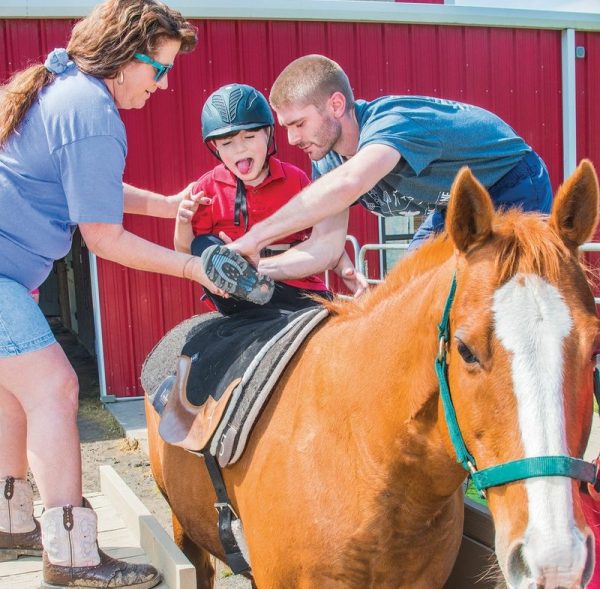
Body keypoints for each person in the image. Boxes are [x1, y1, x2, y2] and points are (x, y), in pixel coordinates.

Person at [0, 1, 251, 587]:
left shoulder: (70, 92)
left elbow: (89, 186)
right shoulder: (92, 111)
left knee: (14, 395)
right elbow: (104, 237)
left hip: (10, 276)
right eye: (159, 69)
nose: (161, 86)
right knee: (57, 389)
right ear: (123, 57)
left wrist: (167, 206)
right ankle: (72, 554)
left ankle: (12, 521)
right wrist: (193, 268)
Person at [228, 54, 553, 280]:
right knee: (408, 284)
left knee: (502, 294)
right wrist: (253, 268)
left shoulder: (392, 122)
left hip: (510, 182)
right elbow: (325, 247)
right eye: (286, 127)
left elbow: (350, 182)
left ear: (336, 105)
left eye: (299, 124)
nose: (292, 138)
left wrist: (256, 237)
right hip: (455, 202)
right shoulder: (328, 159)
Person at [175, 83, 367, 310]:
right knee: (203, 245)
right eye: (227, 143)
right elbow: (185, 252)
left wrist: (346, 269)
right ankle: (245, 282)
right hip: (237, 296)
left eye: (249, 137)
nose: (239, 149)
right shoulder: (207, 188)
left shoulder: (294, 179)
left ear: (267, 133)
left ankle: (254, 284)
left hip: (294, 284)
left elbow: (324, 236)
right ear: (215, 146)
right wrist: (183, 222)